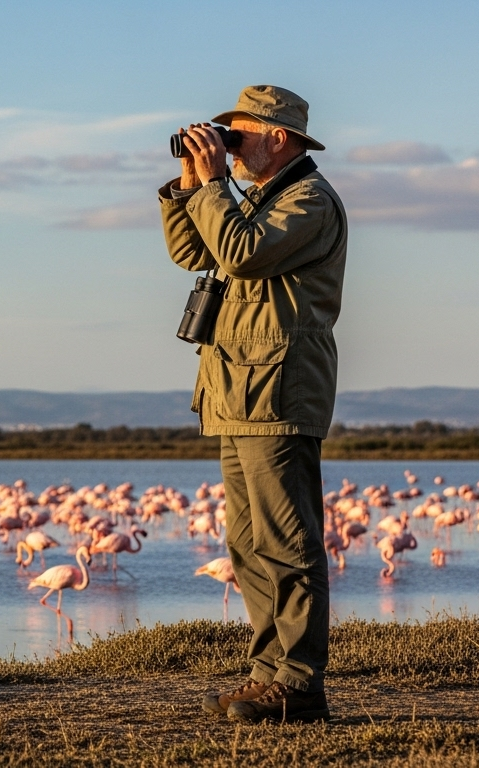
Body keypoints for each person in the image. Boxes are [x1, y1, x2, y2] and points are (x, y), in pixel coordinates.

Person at [159, 85, 347, 724]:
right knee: (248, 546)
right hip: (239, 393)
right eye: (223, 137)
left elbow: (242, 253)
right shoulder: (253, 202)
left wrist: (214, 184)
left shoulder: (310, 202)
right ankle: (267, 676)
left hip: (279, 393)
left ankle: (298, 685)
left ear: (279, 138)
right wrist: (189, 186)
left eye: (236, 135)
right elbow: (192, 251)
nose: (228, 148)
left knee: (287, 545)